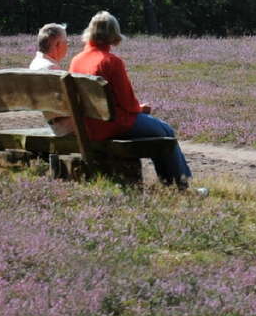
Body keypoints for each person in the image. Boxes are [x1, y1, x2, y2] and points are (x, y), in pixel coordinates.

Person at [67, 10, 193, 188]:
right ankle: (179, 183)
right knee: (166, 132)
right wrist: (140, 108)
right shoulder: (111, 62)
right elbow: (127, 102)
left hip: (89, 126)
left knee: (159, 132)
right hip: (112, 124)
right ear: (113, 34)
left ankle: (172, 182)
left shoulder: (76, 60)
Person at [29, 22, 74, 135]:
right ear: (57, 44)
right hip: (69, 127)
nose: (67, 46)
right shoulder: (50, 69)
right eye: (66, 42)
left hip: (54, 124)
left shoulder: (35, 64)